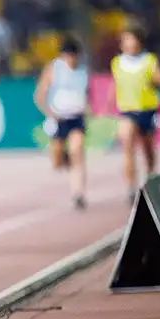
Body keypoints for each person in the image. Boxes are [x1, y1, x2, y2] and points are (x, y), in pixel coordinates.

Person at [112, 26, 160, 205]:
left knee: (148, 150)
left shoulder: (149, 61)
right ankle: (131, 187)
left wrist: (156, 80)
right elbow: (116, 85)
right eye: (125, 40)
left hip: (147, 110)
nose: (129, 43)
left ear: (139, 41)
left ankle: (151, 181)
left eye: (132, 39)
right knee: (127, 141)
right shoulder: (117, 63)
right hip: (128, 111)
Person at [35, 37, 90, 210]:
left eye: (73, 56)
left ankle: (78, 193)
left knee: (77, 151)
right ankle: (66, 159)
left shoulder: (83, 71)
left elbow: (87, 94)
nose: (71, 60)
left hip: (76, 118)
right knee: (57, 162)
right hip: (59, 119)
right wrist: (50, 113)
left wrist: (89, 109)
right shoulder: (54, 69)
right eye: (67, 56)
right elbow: (40, 95)